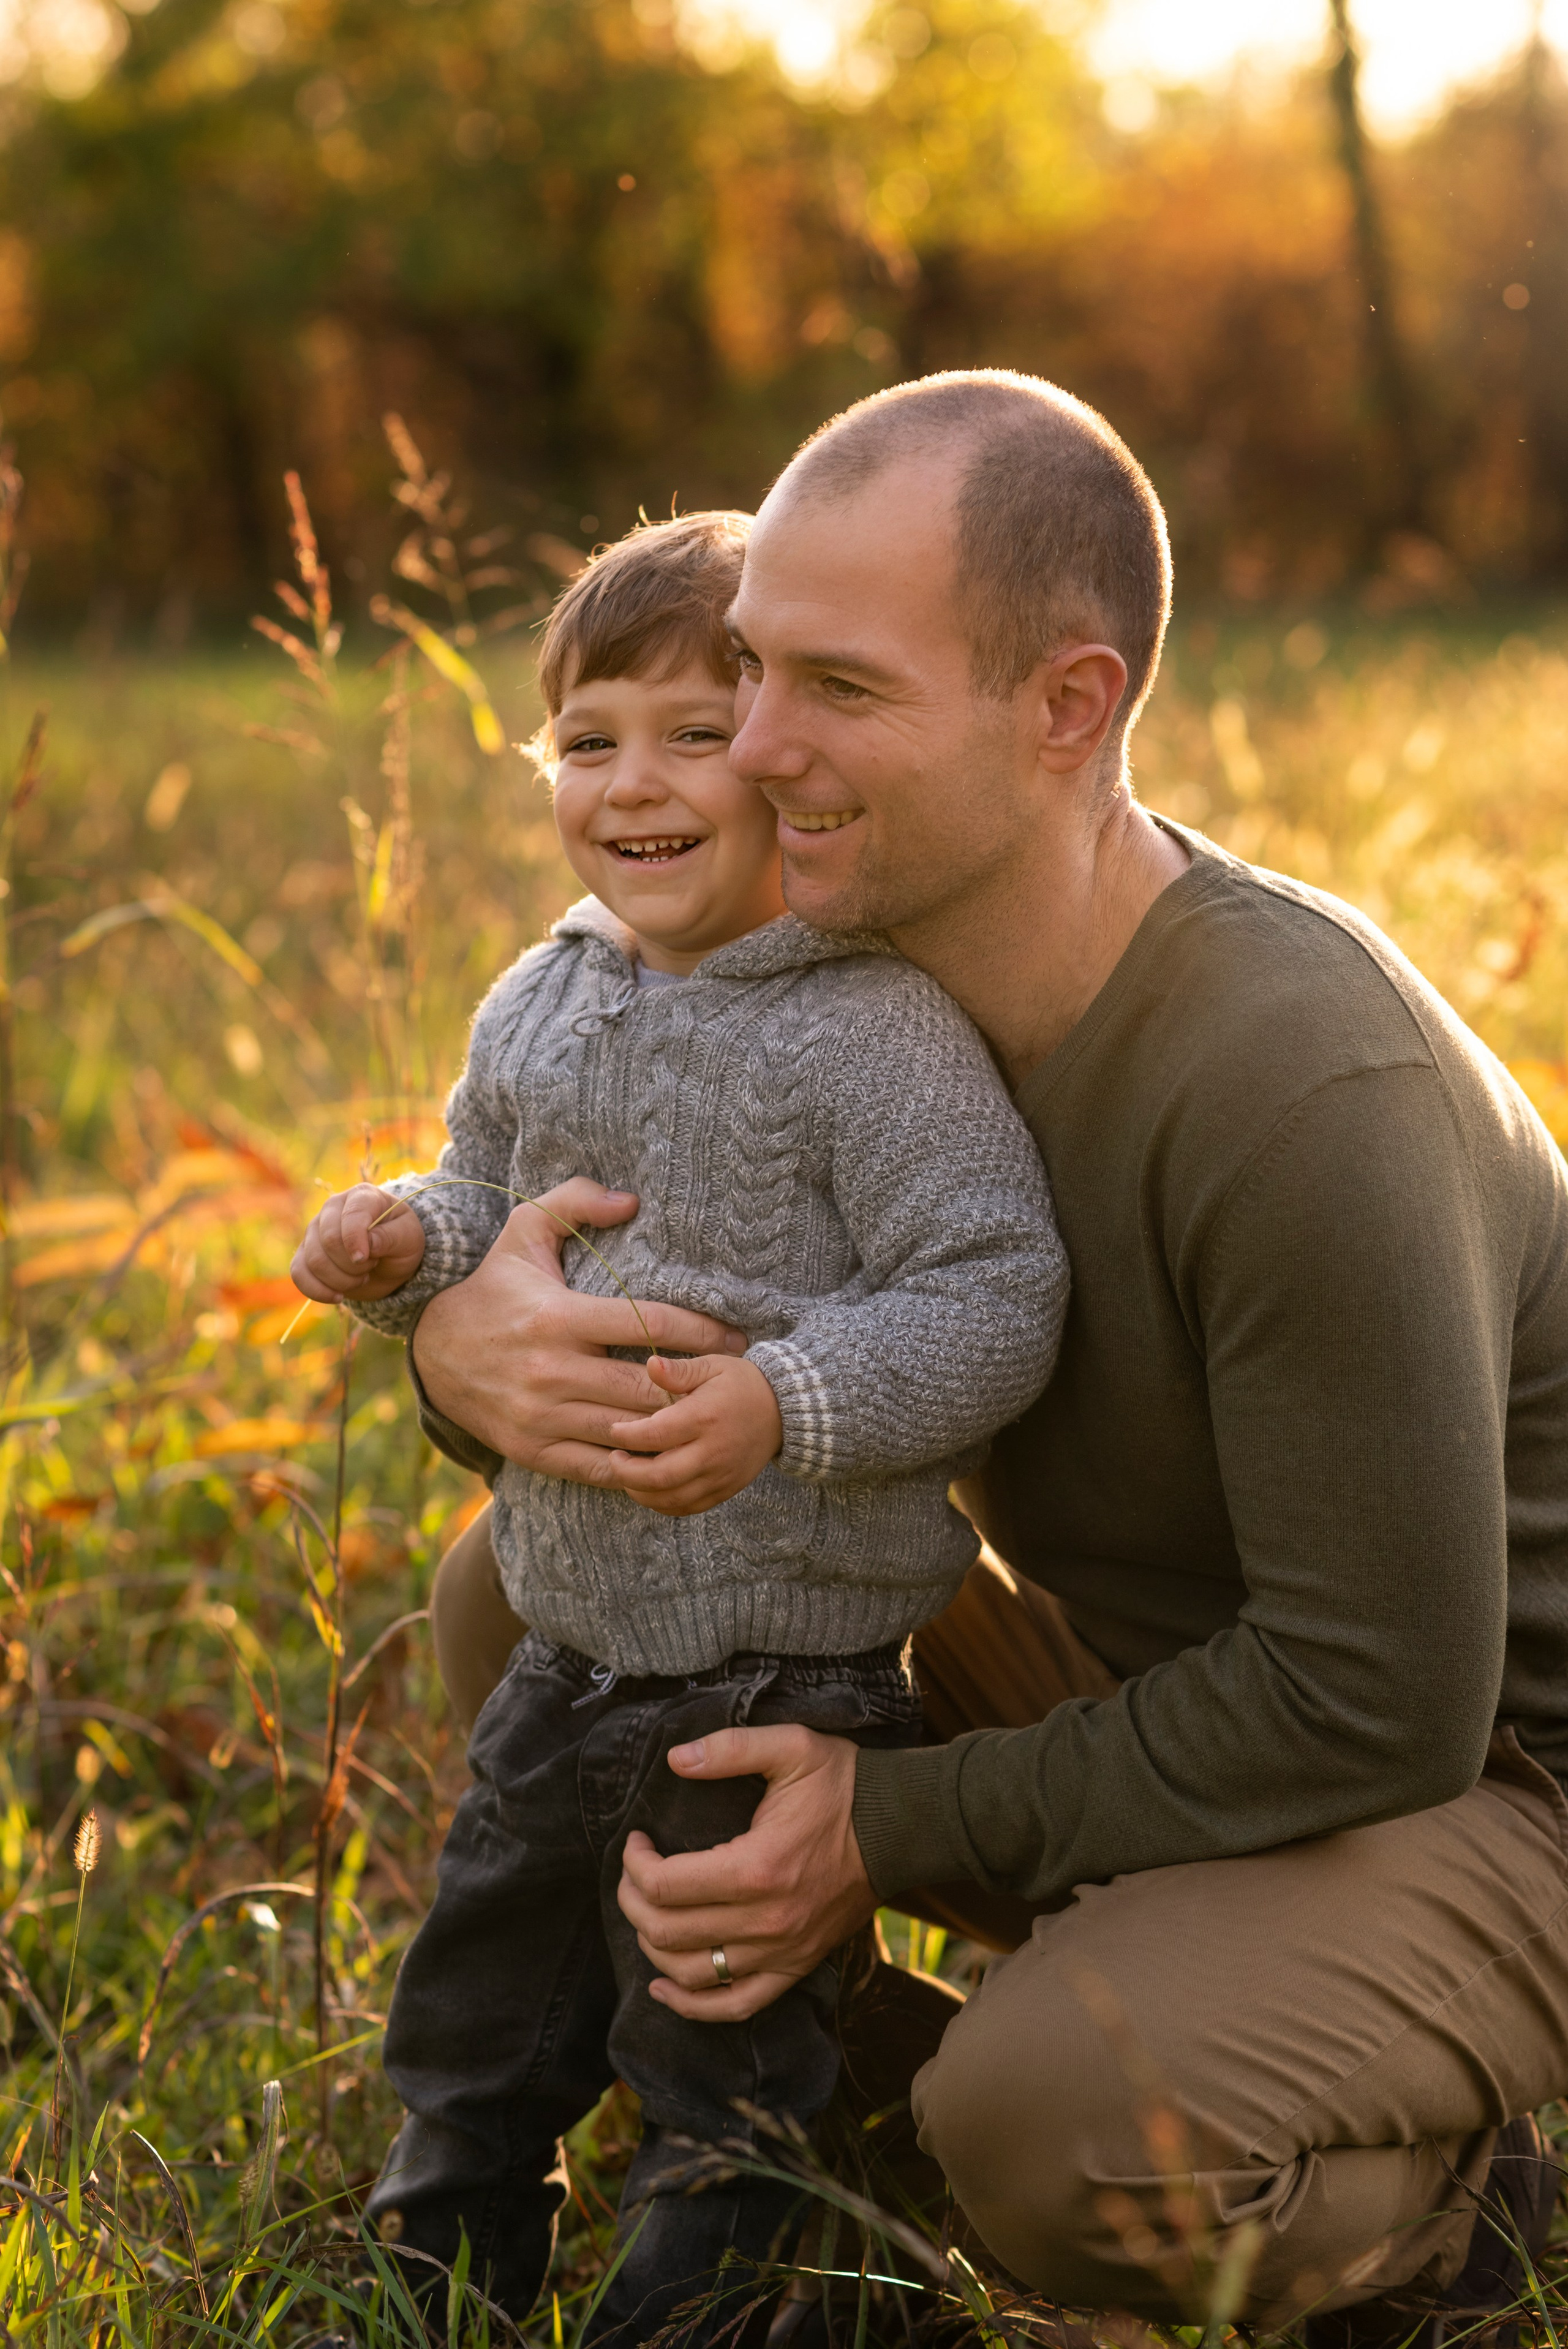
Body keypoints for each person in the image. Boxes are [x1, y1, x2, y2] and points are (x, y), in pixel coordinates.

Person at [413, 371, 1568, 2345]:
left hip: (1478, 1779)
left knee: (1054, 2121)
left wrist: (884, 1830)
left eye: (837, 693)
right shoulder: (860, 988)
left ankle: (1448, 2194)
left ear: (1066, 708)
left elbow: (1379, 1698)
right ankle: (821, 2113)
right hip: (1162, 1683)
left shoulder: (1300, 1079)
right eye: (752, 670)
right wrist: (465, 1348)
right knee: (517, 1600)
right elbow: (590, 1287)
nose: (754, 749)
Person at [291, 507, 1068, 2342]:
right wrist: (409, 1244)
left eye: (692, 736)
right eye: (588, 740)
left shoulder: (875, 1032)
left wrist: (784, 1399)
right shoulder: (540, 998)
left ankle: (721, 2299)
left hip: (778, 1676)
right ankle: (441, 2266)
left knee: (715, 2040)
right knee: (485, 1997)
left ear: (791, 768)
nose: (631, 782)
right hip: (576, 1640)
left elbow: (992, 1293)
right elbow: (494, 1205)